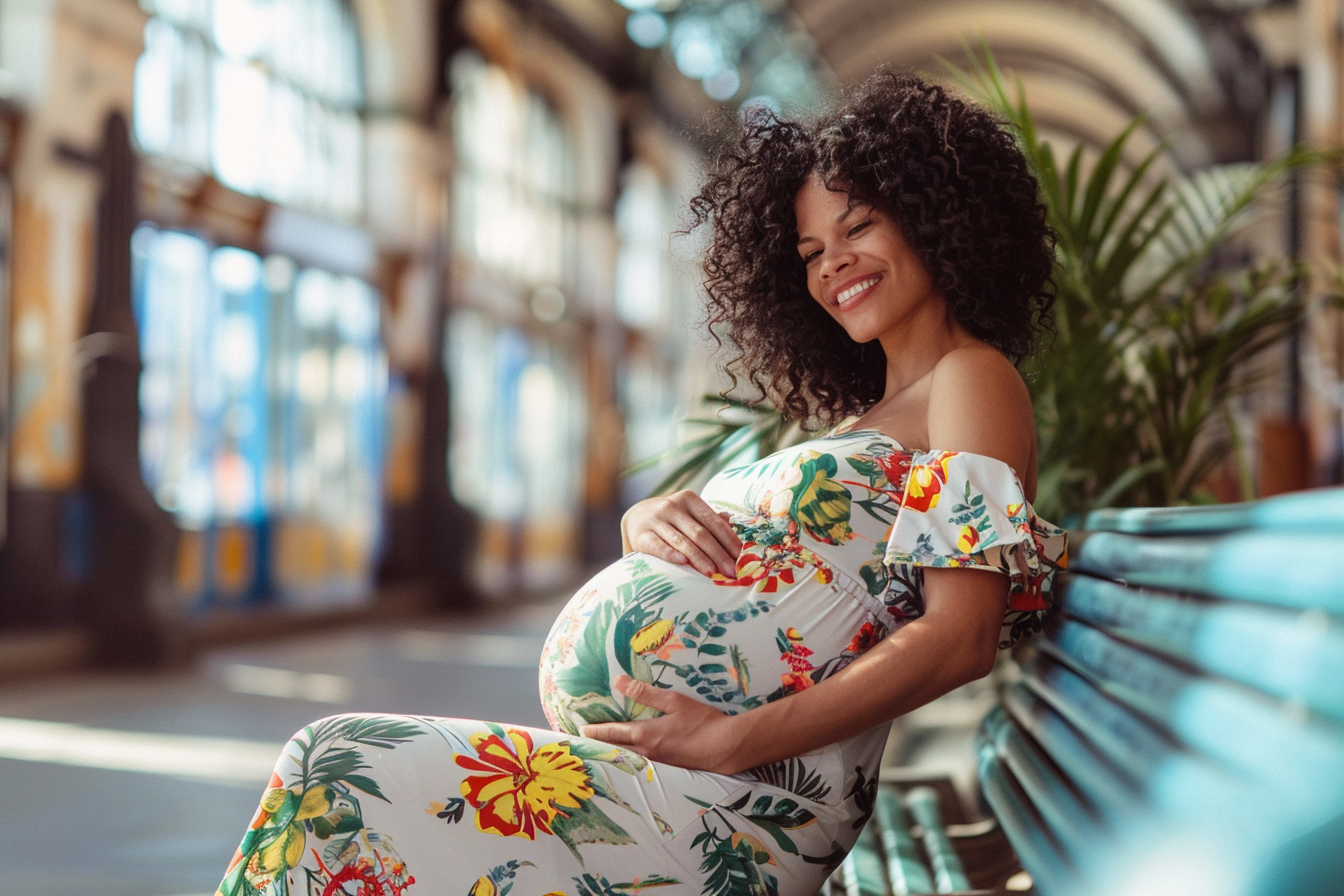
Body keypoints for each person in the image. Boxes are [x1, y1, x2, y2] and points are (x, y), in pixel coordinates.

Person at [216, 69, 1066, 896]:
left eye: (859, 228)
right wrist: (647, 529)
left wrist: (735, 740)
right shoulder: (874, 416)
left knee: (337, 765)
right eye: (810, 252)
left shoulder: (969, 380)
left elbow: (962, 634)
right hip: (693, 783)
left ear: (932, 219)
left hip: (746, 803)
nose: (832, 265)